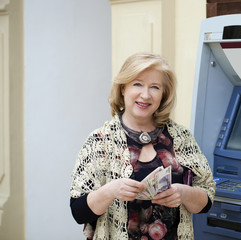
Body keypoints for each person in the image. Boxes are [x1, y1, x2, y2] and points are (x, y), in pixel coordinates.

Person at [70, 52, 215, 240]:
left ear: (163, 94)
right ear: (123, 88)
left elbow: (206, 201)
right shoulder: (100, 140)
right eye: (137, 84)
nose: (145, 95)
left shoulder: (182, 137)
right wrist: (111, 190)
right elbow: (78, 212)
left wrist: (184, 193)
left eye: (154, 87)